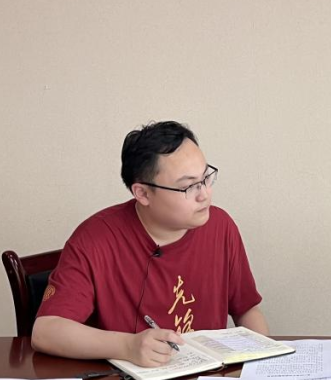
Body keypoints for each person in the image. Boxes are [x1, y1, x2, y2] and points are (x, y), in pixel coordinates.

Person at [31, 121, 269, 367]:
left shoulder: (220, 226)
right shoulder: (95, 238)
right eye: (188, 186)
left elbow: (247, 310)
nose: (204, 194)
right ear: (143, 193)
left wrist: (262, 367)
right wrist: (128, 346)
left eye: (206, 178)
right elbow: (46, 331)